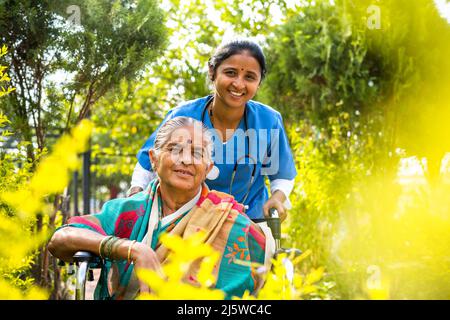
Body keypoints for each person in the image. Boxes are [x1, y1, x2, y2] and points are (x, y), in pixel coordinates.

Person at [48, 117, 274, 300]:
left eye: (197, 153)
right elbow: (61, 238)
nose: (186, 159)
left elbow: (263, 263)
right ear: (154, 159)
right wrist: (134, 249)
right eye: (175, 149)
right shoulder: (127, 211)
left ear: (208, 167)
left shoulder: (228, 220)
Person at [129, 39, 297, 221]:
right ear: (212, 72)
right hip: (186, 222)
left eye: (249, 77)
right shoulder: (183, 115)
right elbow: (147, 164)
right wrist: (135, 196)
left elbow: (283, 175)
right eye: (230, 73)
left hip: (249, 223)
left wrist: (277, 198)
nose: (239, 84)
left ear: (259, 83)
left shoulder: (268, 121)